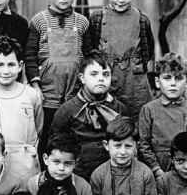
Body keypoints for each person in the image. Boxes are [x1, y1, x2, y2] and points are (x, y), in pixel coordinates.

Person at [25, 0, 89, 159]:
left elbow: (89, 58)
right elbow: (30, 56)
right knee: (47, 139)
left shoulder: (82, 22)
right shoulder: (39, 21)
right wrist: (35, 85)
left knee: (73, 140)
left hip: (74, 95)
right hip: (47, 96)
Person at [83, 0, 154, 118]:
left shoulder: (142, 19)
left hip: (134, 82)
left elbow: (148, 50)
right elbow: (89, 50)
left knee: (137, 119)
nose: (120, 0)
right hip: (106, 76)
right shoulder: (97, 18)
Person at [50, 51, 129, 181]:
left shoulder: (119, 109)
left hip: (112, 175)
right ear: (82, 78)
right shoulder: (67, 110)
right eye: (93, 74)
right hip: (78, 175)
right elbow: (55, 147)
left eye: (106, 74)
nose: (100, 79)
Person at [0, 35, 43, 179]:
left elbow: (38, 128)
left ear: (20, 66)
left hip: (25, 165)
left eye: (11, 65)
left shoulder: (31, 95)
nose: (6, 71)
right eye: (0, 65)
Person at [91, 117, 159, 195]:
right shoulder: (98, 175)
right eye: (117, 146)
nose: (122, 152)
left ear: (136, 147)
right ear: (106, 145)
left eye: (128, 146)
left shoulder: (145, 173)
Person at [138, 52, 187, 178]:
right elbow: (143, 146)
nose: (173, 83)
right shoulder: (148, 110)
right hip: (157, 174)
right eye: (167, 78)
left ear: (186, 82)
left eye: (179, 78)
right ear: (157, 82)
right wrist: (157, 171)